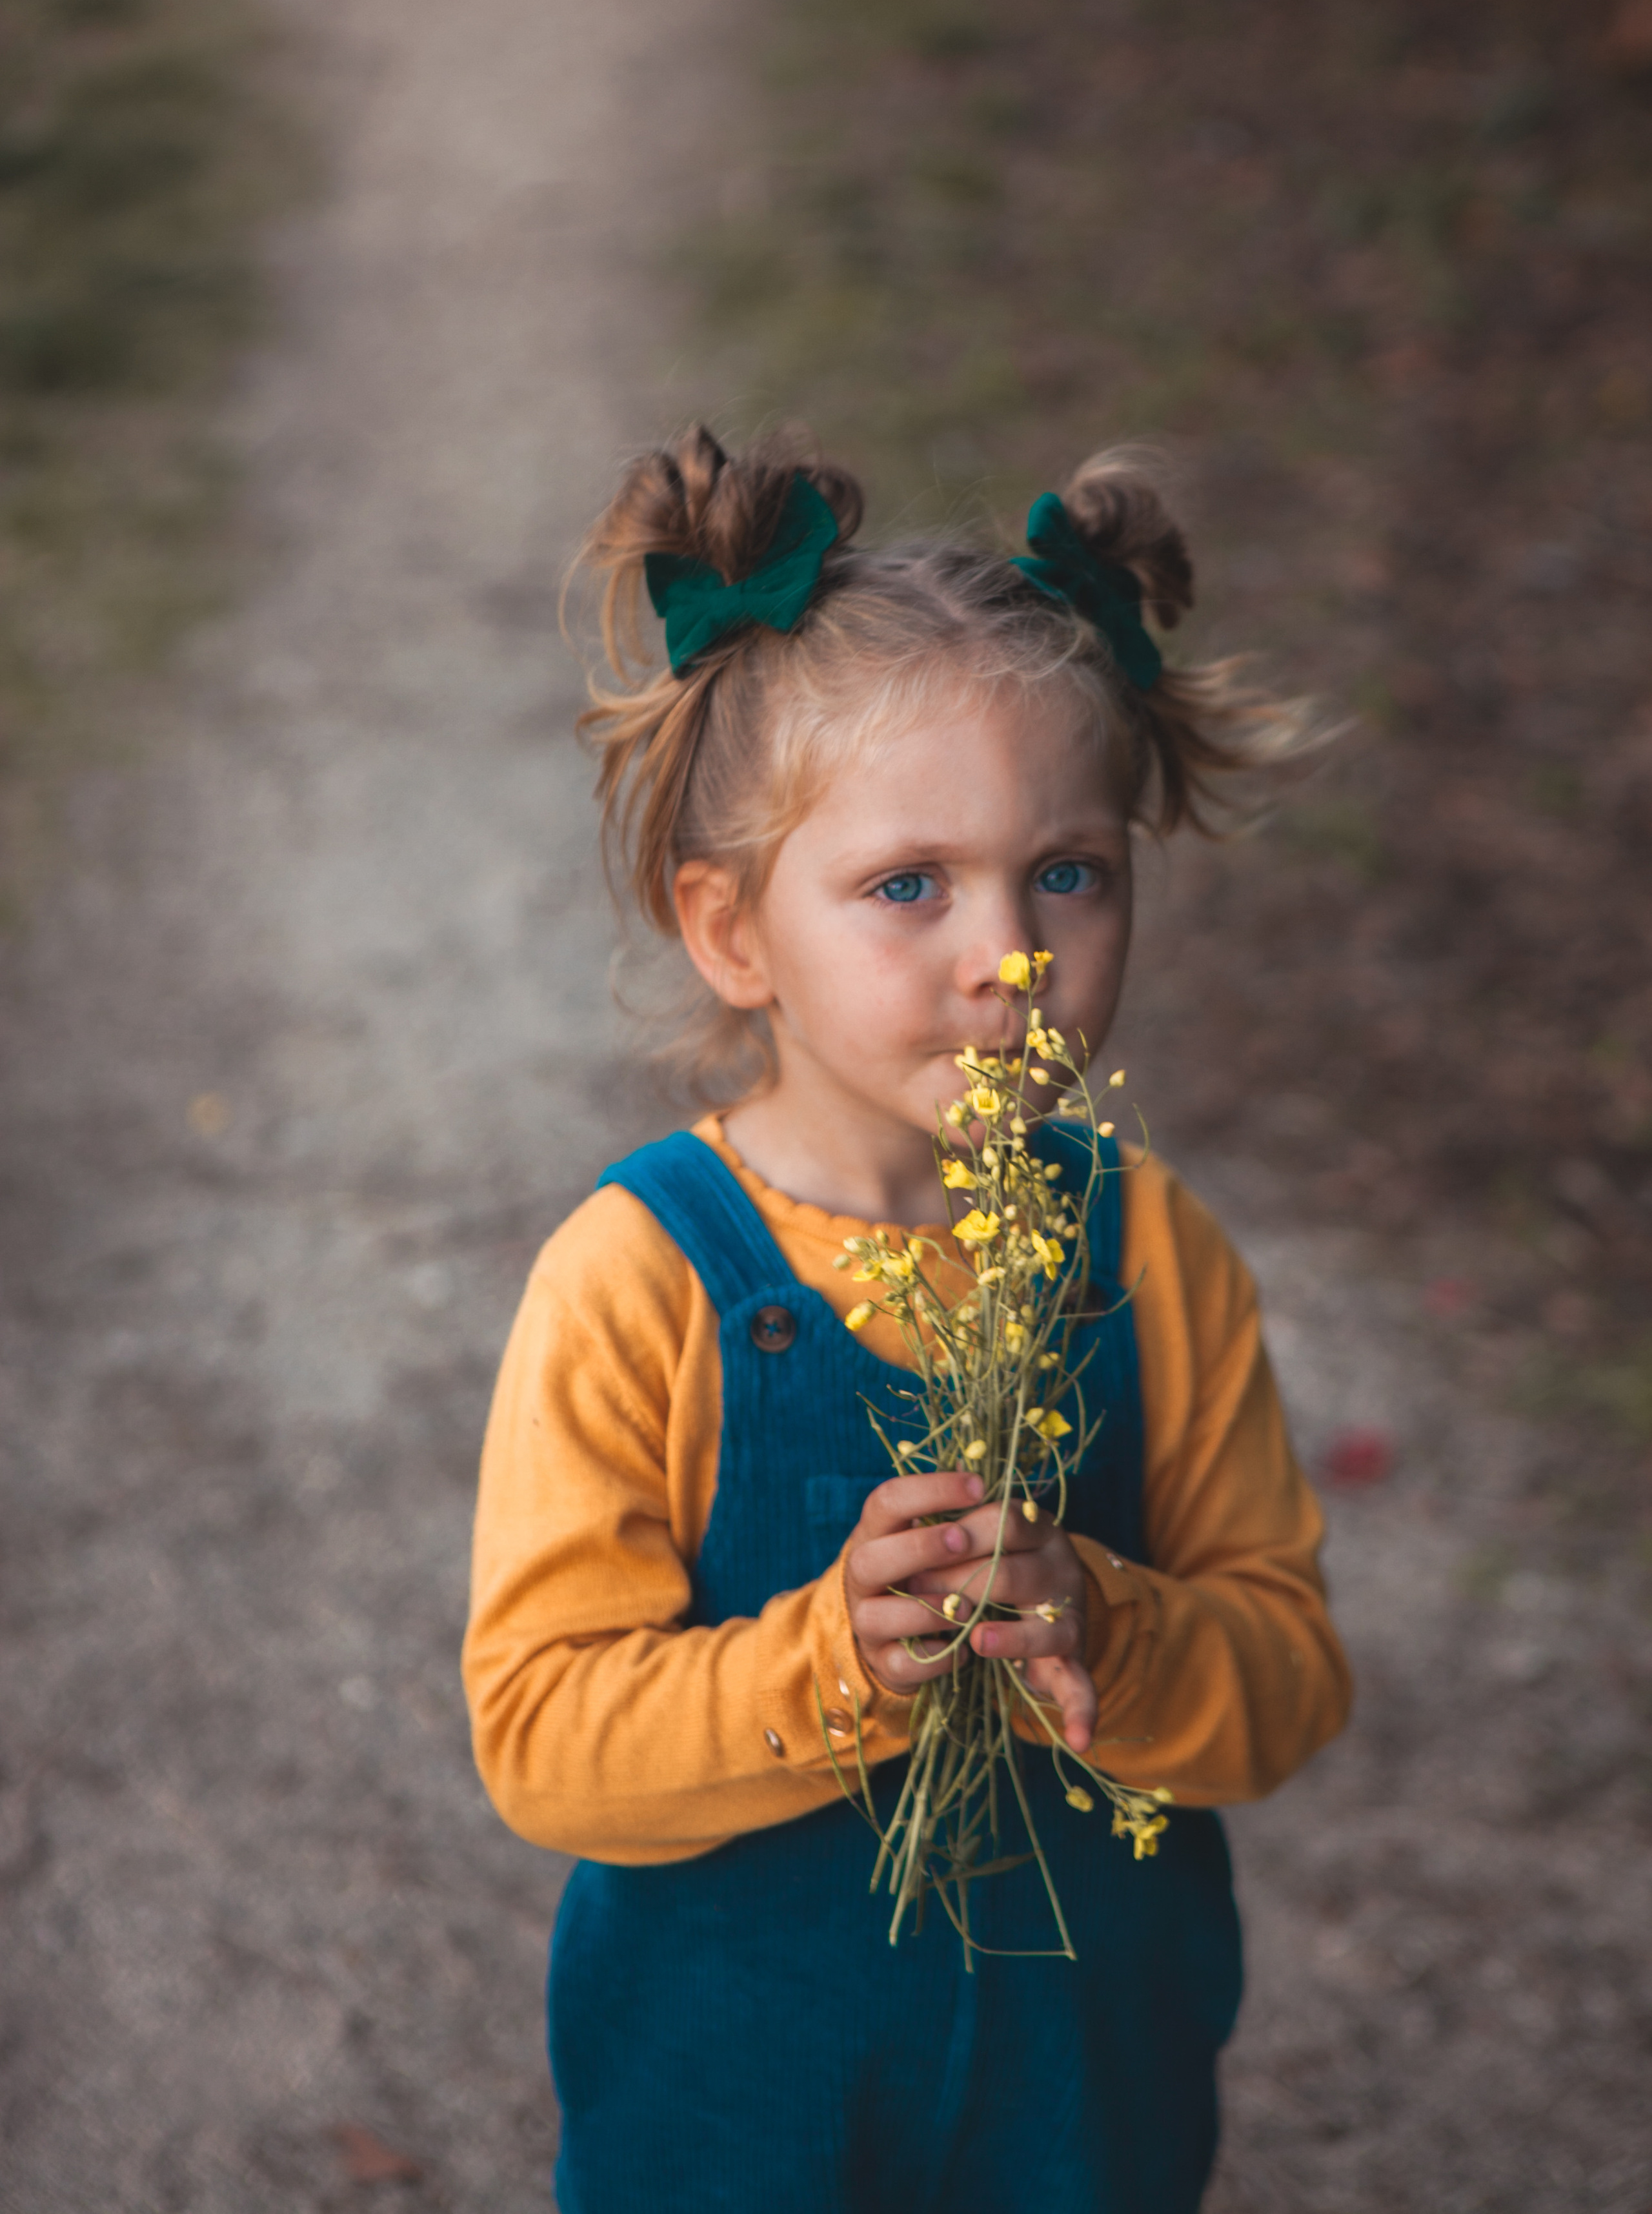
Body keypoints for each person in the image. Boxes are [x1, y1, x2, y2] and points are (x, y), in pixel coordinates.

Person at [462, 425, 1352, 2214]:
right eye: (907, 885)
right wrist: (835, 1668)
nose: (1006, 953)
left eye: (1069, 872)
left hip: (1083, 2112)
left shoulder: (1150, 1253)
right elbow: (544, 1741)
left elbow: (1290, 1683)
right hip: (731, 2125)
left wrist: (1112, 1631)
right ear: (732, 930)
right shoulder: (641, 1281)